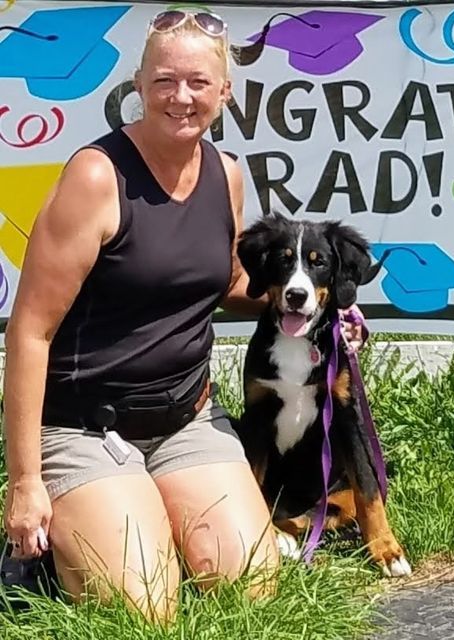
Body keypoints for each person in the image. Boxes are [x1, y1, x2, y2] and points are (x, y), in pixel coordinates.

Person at [1, 9, 369, 622]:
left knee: (250, 583)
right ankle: (58, 545)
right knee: (144, 607)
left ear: (224, 92)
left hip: (187, 420)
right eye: (165, 80)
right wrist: (24, 483)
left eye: (199, 82)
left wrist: (315, 305)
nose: (181, 97)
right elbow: (30, 332)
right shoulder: (96, 177)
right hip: (87, 427)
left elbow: (230, 284)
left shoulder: (225, 175)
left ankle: (140, 515)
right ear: (139, 86)